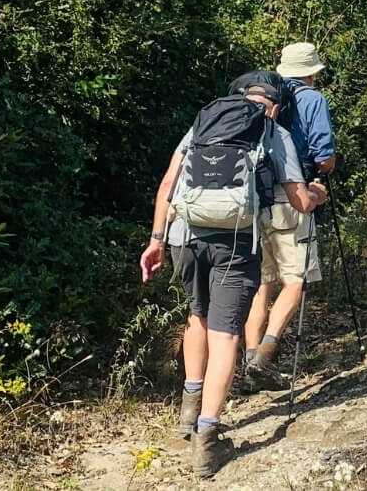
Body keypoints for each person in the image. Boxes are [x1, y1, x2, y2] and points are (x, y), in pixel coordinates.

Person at [138, 76, 325, 478]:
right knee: (226, 335)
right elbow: (299, 202)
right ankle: (207, 441)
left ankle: (189, 409)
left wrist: (155, 240)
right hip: (234, 242)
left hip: (182, 238)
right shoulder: (272, 131)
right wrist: (317, 193)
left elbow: (169, 184)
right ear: (274, 104)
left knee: (196, 317)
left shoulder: (203, 122)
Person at [242, 42, 337, 386]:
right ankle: (266, 353)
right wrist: (323, 177)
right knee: (294, 280)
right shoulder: (313, 99)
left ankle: (250, 358)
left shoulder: (262, 97)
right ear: (312, 73)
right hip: (293, 194)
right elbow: (324, 158)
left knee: (262, 282)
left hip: (253, 197)